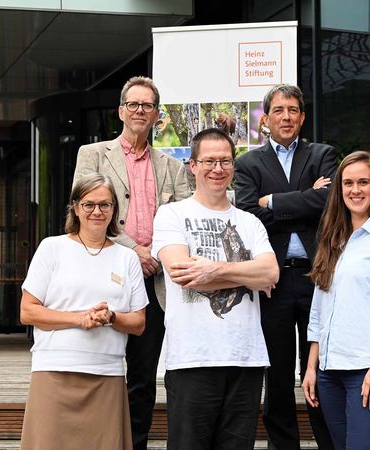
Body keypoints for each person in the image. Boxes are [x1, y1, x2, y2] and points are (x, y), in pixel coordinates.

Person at [72, 76, 190, 449]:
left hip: (154, 281)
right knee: (99, 367)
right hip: (105, 274)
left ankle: (134, 443)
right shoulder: (92, 154)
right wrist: (131, 250)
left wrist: (154, 253)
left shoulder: (171, 166)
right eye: (134, 104)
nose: (140, 111)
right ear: (121, 110)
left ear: (157, 115)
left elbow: (185, 218)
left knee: (142, 373)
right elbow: (84, 210)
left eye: (148, 106)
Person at [152, 128, 279, 450]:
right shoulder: (172, 214)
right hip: (192, 358)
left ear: (233, 166)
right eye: (209, 161)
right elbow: (181, 273)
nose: (217, 169)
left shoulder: (250, 222)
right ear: (192, 165)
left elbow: (270, 273)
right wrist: (246, 274)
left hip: (245, 357)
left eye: (225, 161)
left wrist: (212, 269)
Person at [234, 83, 336, 450]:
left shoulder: (323, 154)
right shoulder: (247, 163)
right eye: (278, 110)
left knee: (323, 366)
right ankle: (283, 446)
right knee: (276, 373)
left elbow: (328, 202)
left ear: (302, 117)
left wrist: (273, 201)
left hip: (316, 277)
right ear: (266, 119)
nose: (287, 116)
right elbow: (248, 216)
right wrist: (304, 202)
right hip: (272, 281)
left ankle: (329, 442)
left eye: (293, 110)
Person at [19, 173, 148, 450]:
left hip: (106, 376)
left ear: (114, 209)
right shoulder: (51, 248)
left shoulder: (127, 258)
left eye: (105, 205)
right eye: (89, 204)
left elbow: (138, 323)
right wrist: (80, 319)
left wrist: (110, 317)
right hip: (54, 373)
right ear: (76, 208)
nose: (97, 212)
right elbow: (28, 312)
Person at [302, 150, 370, 450]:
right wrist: (312, 367)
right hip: (329, 373)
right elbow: (319, 310)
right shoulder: (334, 240)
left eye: (363, 182)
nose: (355, 190)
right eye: (348, 183)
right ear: (339, 190)